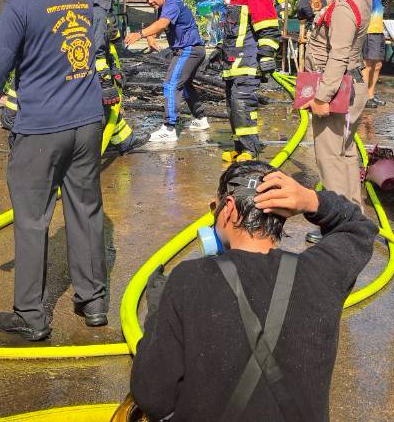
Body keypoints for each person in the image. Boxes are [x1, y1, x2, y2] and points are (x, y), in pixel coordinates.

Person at [130, 161, 377, 422]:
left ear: (229, 208)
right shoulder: (321, 273)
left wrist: (157, 312)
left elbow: (152, 397)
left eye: (215, 208)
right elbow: (360, 228)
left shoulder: (187, 280)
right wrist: (311, 200)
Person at [0, 0, 107, 341]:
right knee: (86, 210)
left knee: (31, 219)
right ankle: (94, 302)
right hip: (87, 124)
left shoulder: (21, 5)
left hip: (41, 129)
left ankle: (30, 314)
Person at [302, 0, 373, 218]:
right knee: (345, 154)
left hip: (337, 90)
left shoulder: (344, 7)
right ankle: (354, 219)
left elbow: (338, 56)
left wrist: (321, 97)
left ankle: (339, 226)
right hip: (351, 85)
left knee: (330, 160)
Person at [214, 0, 281, 163]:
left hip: (247, 64)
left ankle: (250, 151)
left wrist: (267, 55)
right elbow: (235, 32)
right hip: (233, 65)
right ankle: (239, 148)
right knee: (233, 107)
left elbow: (269, 30)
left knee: (242, 105)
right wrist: (219, 50)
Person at [123, 0, 210, 143]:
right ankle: (200, 118)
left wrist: (140, 34)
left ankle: (169, 129)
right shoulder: (163, 7)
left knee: (171, 84)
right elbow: (160, 26)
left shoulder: (172, 2)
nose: (149, 2)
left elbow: (162, 23)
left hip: (188, 49)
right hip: (192, 49)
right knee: (185, 85)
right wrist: (151, 37)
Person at [83, 0, 145, 154]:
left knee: (111, 109)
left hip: (92, 68)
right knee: (106, 109)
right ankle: (91, 157)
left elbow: (111, 39)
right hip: (93, 71)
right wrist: (106, 81)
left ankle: (126, 141)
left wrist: (115, 69)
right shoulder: (97, 11)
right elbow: (98, 49)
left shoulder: (92, 6)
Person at [361, 0, 392, 107]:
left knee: (377, 65)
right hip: (370, 32)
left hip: (377, 31)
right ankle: (363, 97)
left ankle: (371, 95)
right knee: (368, 65)